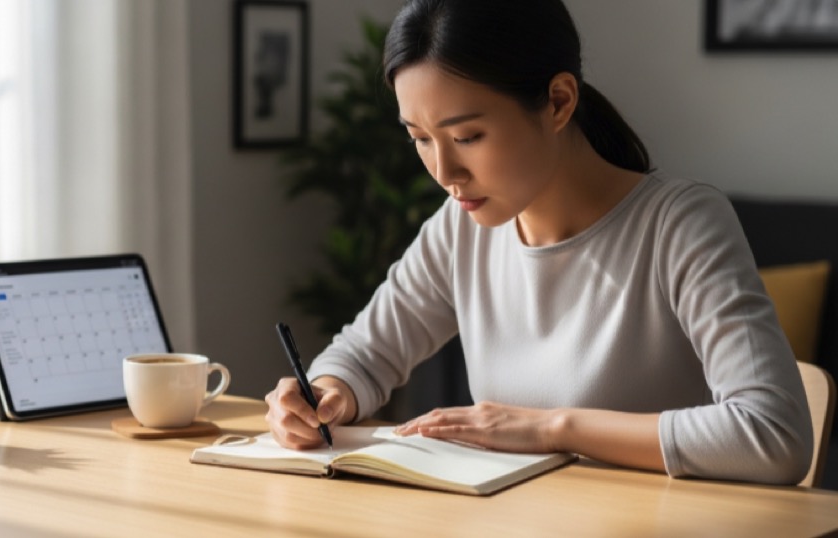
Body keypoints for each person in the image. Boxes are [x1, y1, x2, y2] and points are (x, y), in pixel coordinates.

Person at [264, 0, 813, 485]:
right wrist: (326, 394)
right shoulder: (461, 226)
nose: (444, 171)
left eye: (466, 137)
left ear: (558, 101)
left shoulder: (680, 224)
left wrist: (552, 429)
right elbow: (365, 353)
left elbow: (773, 434)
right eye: (420, 139)